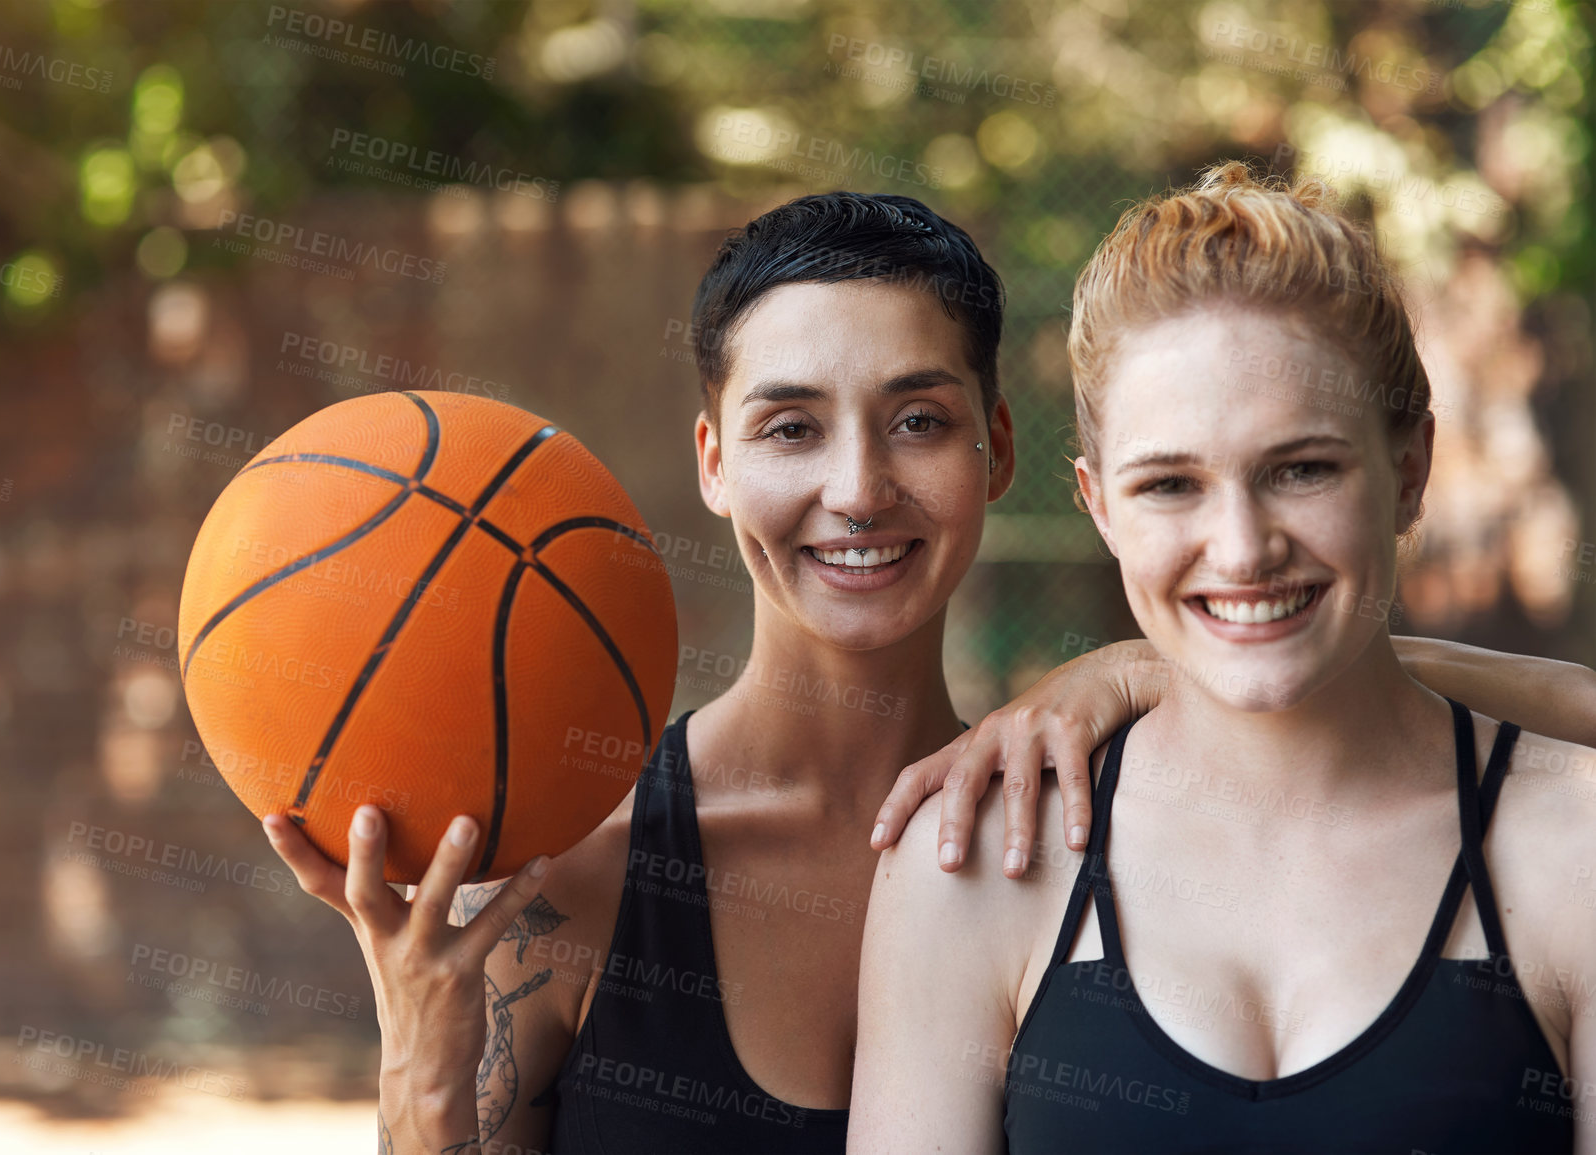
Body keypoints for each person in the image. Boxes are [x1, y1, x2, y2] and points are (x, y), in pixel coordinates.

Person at [261, 189, 1592, 1155]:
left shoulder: (1038, 803)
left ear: (999, 454)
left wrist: (1145, 663)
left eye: (917, 419)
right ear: (713, 459)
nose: (856, 487)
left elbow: (1302, 661)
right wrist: (420, 1073)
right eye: (789, 425)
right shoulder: (572, 884)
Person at [848, 164, 1595, 1154]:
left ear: (1408, 471)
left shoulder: (1573, 849)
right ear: (1099, 504)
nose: (1242, 547)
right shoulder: (974, 863)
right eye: (1170, 485)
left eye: (1302, 468)